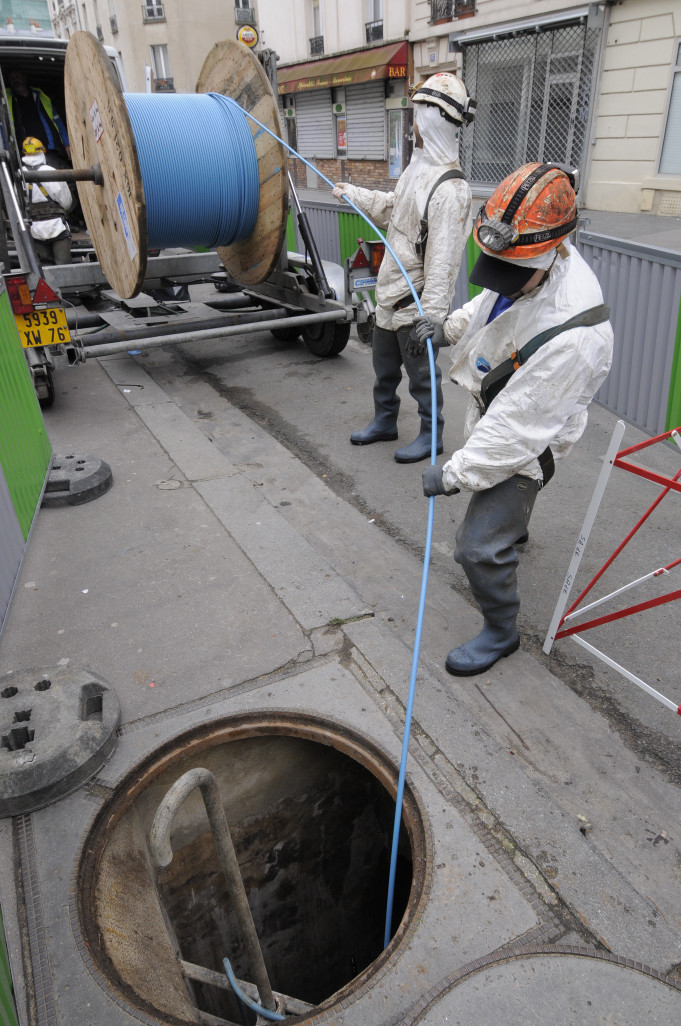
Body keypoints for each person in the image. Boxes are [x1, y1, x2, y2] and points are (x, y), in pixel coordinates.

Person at [412, 162, 613, 676]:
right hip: (505, 411)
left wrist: (454, 474)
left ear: (554, 252)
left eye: (514, 273)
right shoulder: (529, 263)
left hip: (529, 441)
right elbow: (492, 304)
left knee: (476, 548)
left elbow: (517, 432)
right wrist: (449, 328)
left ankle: (501, 633)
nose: (504, 279)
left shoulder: (577, 336)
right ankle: (512, 534)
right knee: (497, 515)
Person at [332, 72, 475, 463]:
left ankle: (432, 436)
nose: (413, 123)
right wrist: (353, 193)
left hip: (415, 307)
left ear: (433, 119)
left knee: (423, 380)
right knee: (384, 372)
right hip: (388, 296)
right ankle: (385, 421)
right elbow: (394, 211)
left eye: (418, 114)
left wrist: (432, 318)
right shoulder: (417, 169)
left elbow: (444, 262)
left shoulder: (451, 190)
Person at [21, 136, 72, 265]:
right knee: (64, 268)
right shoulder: (52, 172)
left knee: (46, 271)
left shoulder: (19, 175)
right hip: (57, 228)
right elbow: (67, 202)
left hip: (35, 231)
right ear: (42, 152)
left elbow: (18, 203)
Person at [6, 69, 71, 166]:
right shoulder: (6, 99)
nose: (15, 80)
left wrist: (67, 143)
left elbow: (58, 121)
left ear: (24, 78)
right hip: (25, 154)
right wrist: (7, 152)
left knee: (62, 176)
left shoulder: (40, 96)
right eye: (11, 78)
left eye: (17, 77)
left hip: (49, 149)